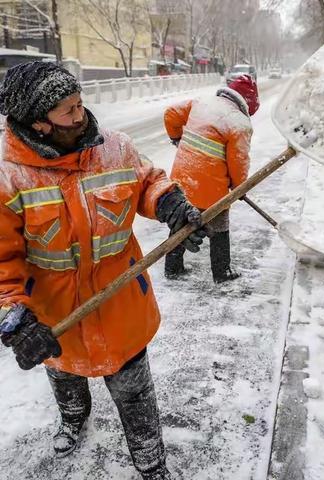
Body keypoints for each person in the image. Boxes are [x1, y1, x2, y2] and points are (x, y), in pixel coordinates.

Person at [0, 62, 206, 480]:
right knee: (64, 376)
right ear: (38, 123)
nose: (81, 115)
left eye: (80, 103)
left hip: (120, 301)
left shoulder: (115, 147)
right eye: (67, 110)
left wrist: (169, 203)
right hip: (56, 313)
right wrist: (14, 315)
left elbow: (146, 181)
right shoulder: (8, 175)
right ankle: (74, 419)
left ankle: (151, 462)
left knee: (134, 390)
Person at [163, 74, 259, 283]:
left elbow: (171, 113)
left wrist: (176, 137)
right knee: (219, 226)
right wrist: (238, 188)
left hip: (181, 178)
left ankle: (172, 267)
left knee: (181, 221)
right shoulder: (239, 123)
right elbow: (238, 162)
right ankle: (221, 272)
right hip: (211, 191)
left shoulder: (201, 102)